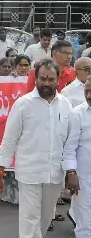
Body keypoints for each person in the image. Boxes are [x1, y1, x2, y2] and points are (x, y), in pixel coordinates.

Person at [0, 59, 72, 238]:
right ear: (35, 78)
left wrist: (70, 171)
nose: (46, 83)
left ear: (58, 80)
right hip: (30, 173)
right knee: (30, 219)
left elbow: (69, 141)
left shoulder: (66, 105)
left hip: (54, 174)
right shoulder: (23, 104)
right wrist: (0, 172)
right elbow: (9, 139)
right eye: (42, 78)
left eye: (51, 79)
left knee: (45, 219)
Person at [63, 78, 91, 238]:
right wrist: (71, 173)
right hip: (83, 177)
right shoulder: (77, 113)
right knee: (85, 225)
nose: (88, 95)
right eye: (86, 91)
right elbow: (70, 147)